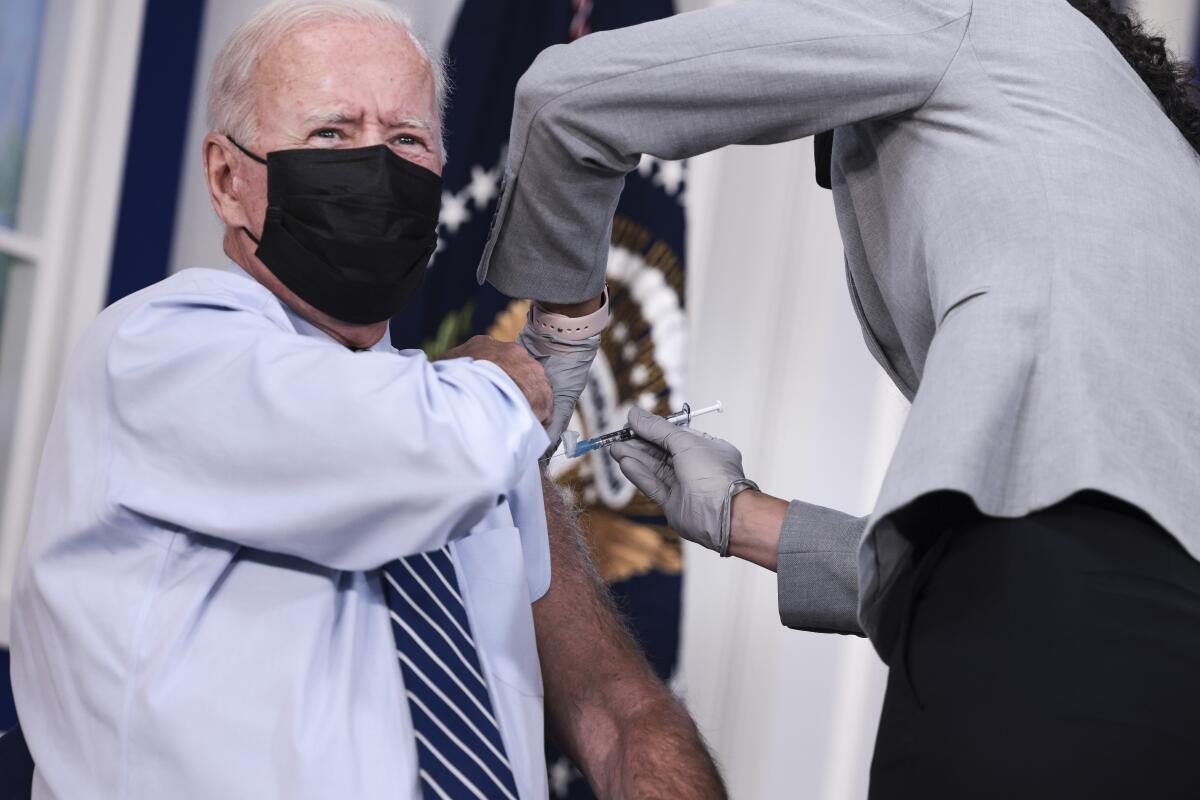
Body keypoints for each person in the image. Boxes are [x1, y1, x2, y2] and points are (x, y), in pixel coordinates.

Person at [478, 0, 1200, 797]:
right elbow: (1068, 558)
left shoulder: (968, 11)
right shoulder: (1144, 160)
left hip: (1034, 653)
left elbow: (566, 99)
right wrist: (740, 516)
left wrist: (563, 337)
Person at [8, 1, 724, 798]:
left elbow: (620, 709)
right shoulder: (159, 347)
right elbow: (414, 449)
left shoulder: (470, 429)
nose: (376, 168)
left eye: (407, 140)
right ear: (225, 177)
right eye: (331, 135)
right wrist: (528, 365)